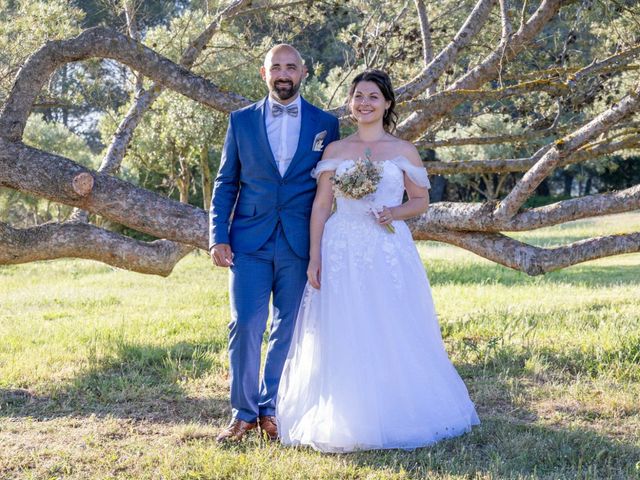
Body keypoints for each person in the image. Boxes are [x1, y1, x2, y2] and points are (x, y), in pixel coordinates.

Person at [276, 69, 480, 452]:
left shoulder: (403, 150)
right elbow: (321, 205)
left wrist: (394, 212)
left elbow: (420, 201)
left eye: (372, 96)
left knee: (390, 321)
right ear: (350, 104)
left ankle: (397, 407)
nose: (364, 103)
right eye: (358, 96)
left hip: (387, 247)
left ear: (387, 103)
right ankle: (348, 411)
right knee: (344, 321)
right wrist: (314, 256)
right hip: (341, 245)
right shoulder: (335, 151)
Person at [209, 44, 340, 443]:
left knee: (288, 327)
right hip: (248, 240)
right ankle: (243, 413)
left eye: (291, 67)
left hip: (299, 241)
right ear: (263, 74)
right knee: (245, 323)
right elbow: (225, 181)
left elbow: (328, 185)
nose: (283, 73)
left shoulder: (326, 123)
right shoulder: (240, 121)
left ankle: (272, 409)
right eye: (276, 67)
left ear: (303, 72)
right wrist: (217, 235)